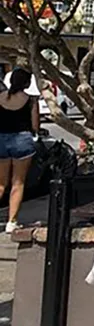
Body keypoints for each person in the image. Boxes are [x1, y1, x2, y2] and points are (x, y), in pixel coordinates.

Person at [0, 68, 39, 233]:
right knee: (18, 183)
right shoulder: (31, 101)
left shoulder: (0, 97)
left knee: (1, 183)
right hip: (22, 140)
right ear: (27, 83)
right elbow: (35, 126)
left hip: (1, 139)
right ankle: (12, 222)